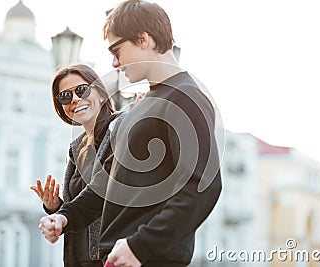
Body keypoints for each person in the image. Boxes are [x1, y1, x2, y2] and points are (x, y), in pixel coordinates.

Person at [39, 1, 223, 267]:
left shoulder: (186, 98)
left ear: (143, 39)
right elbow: (106, 187)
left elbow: (202, 187)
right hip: (119, 258)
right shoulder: (141, 108)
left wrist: (140, 246)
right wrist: (65, 216)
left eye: (117, 50)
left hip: (149, 259)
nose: (114, 63)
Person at [31, 64, 124, 267]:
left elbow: (104, 194)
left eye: (82, 90)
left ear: (100, 93)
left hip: (113, 256)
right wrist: (55, 207)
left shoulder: (123, 128)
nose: (74, 99)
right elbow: (81, 210)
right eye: (65, 96)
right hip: (79, 259)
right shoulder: (76, 147)